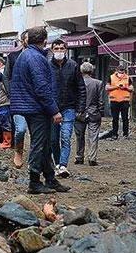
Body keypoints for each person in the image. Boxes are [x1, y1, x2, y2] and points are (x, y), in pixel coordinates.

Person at [10, 26, 70, 195]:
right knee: (39, 144)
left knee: (43, 144)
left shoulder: (25, 55)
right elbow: (42, 87)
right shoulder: (36, 58)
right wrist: (54, 110)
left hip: (30, 106)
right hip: (37, 107)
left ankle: (50, 178)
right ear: (45, 41)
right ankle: (34, 181)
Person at [49, 39, 86, 178]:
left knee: (65, 137)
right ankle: (57, 163)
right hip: (52, 108)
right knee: (53, 139)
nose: (59, 51)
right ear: (52, 50)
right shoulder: (47, 66)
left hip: (69, 107)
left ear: (66, 50)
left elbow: (80, 87)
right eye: (56, 48)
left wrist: (81, 106)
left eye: (61, 48)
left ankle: (63, 164)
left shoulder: (73, 65)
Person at [5, 32, 29, 168]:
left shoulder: (42, 55)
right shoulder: (13, 56)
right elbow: (7, 76)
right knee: (20, 129)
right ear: (22, 40)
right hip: (19, 99)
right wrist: (12, 93)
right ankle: (18, 150)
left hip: (36, 100)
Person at [74, 62, 105, 166]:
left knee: (79, 136)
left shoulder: (76, 82)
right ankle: (92, 158)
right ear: (92, 71)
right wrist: (101, 112)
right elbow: (101, 100)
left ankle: (79, 157)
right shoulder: (98, 83)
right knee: (93, 137)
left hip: (79, 113)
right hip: (94, 112)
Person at [104, 65, 134, 140]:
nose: (121, 71)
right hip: (114, 100)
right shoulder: (111, 77)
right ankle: (115, 134)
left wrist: (125, 88)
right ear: (117, 70)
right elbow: (107, 87)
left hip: (124, 100)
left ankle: (125, 134)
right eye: (120, 70)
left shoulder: (127, 77)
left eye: (123, 70)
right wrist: (116, 87)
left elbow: (132, 88)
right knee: (115, 119)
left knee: (125, 118)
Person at [0, 56, 12, 149]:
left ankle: (6, 142)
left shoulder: (2, 74)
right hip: (5, 102)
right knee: (2, 121)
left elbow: (5, 88)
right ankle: (6, 141)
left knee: (5, 122)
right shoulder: (5, 72)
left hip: (3, 102)